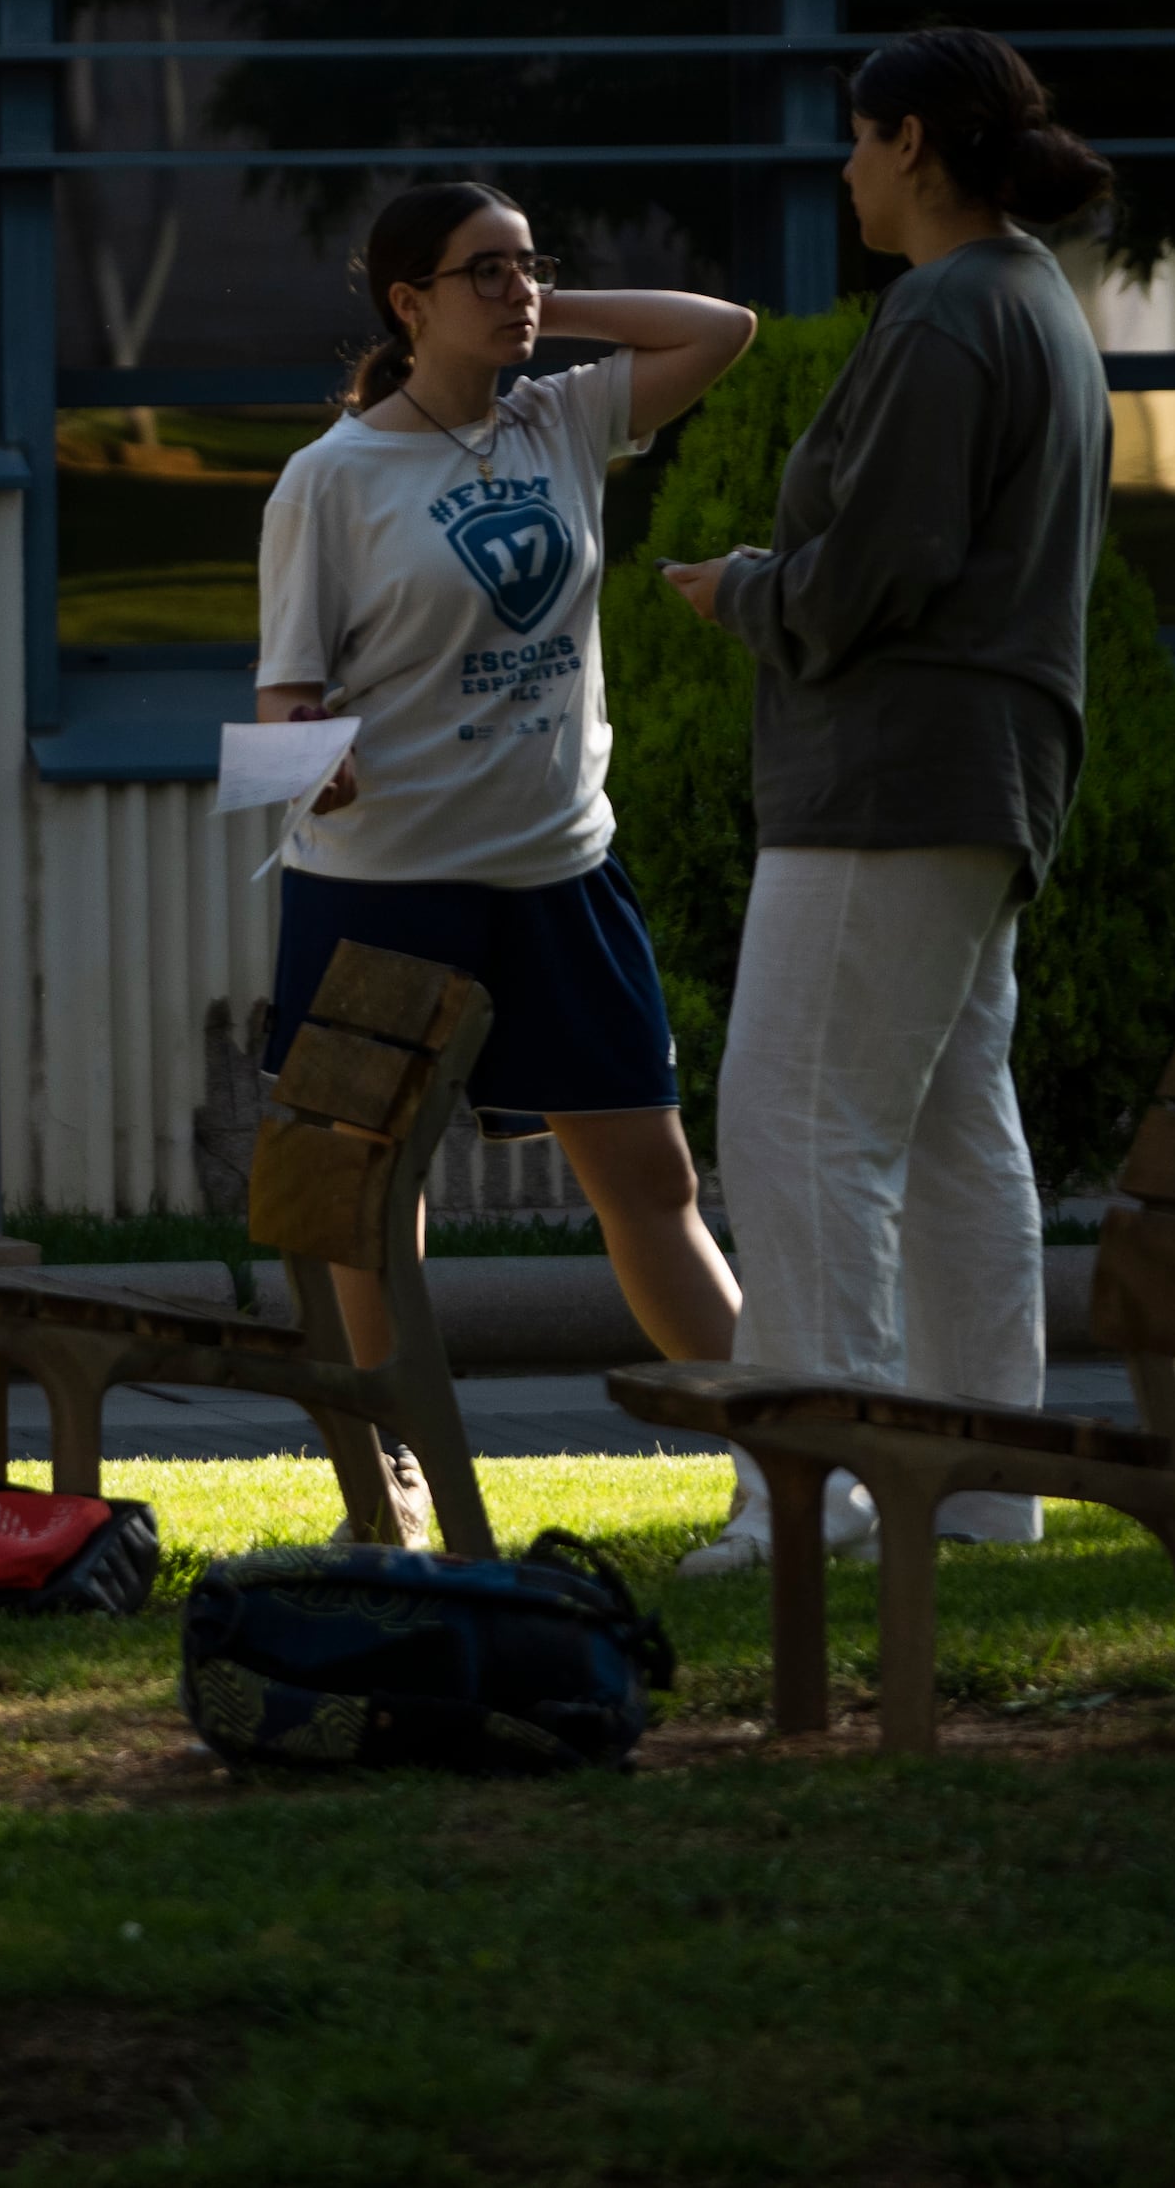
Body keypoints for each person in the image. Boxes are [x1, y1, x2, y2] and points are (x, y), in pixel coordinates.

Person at [658, 26, 1115, 1572]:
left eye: (859, 139)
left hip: (891, 778)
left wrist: (749, 593)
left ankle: (813, 1491)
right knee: (944, 1130)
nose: (847, 168)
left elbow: (882, 562)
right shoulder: (1034, 301)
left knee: (794, 1120)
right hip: (984, 774)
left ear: (913, 141)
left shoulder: (947, 313)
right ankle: (982, 1491)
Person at [252, 181, 764, 1528]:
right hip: (382, 881)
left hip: (560, 871)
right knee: (368, 1193)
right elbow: (286, 692)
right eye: (484, 274)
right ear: (407, 304)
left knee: (652, 1184)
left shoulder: (563, 416)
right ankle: (392, 1470)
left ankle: (785, 1462)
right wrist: (316, 745)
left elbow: (724, 328)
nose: (519, 289)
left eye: (530, 266)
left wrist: (541, 311)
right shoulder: (333, 478)